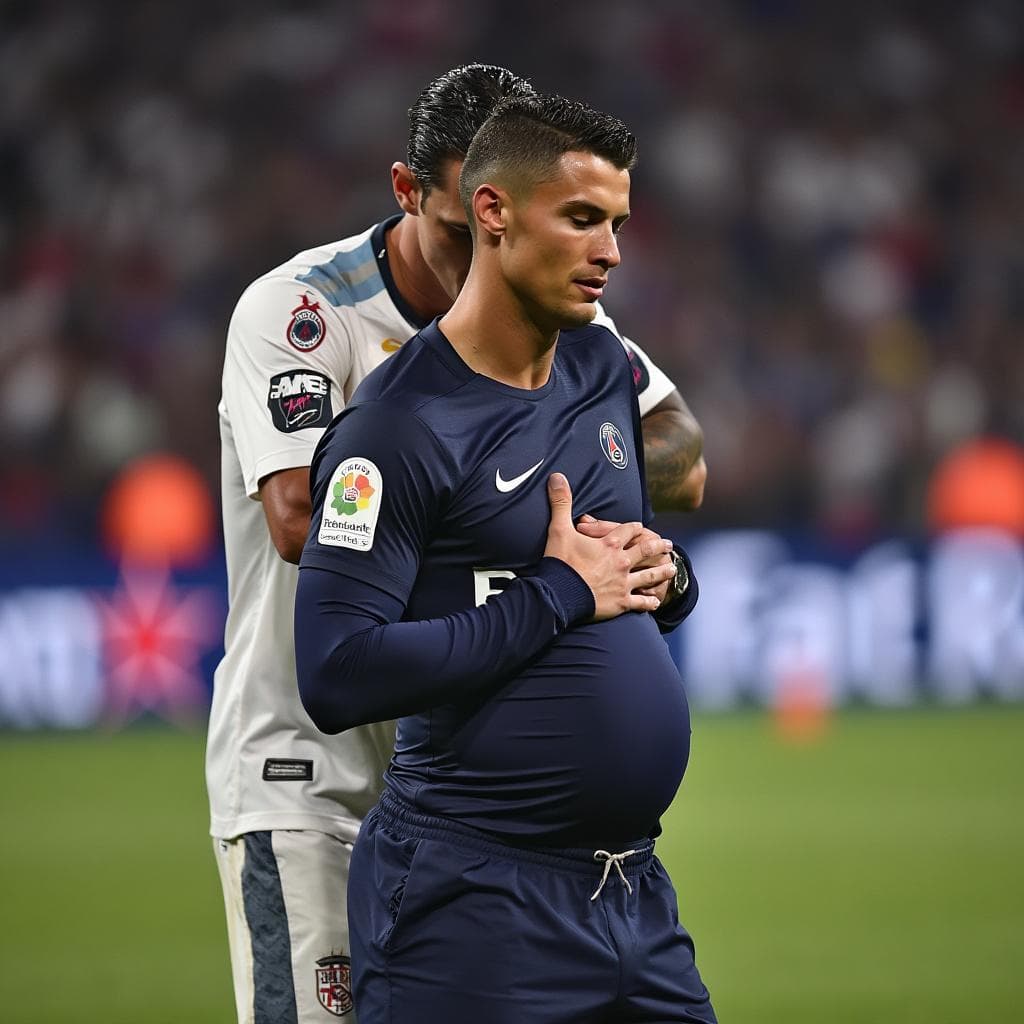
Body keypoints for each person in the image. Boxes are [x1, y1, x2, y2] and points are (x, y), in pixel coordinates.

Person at [209, 64, 706, 1024]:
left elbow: (683, 455)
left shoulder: (566, 332)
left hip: (470, 773)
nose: (463, 267)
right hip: (316, 774)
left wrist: (617, 537)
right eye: (453, 235)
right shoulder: (302, 314)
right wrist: (535, 552)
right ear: (447, 202)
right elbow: (300, 522)